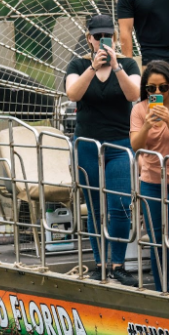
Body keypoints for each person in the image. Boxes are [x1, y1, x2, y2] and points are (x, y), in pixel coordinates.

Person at [65, 14, 141, 285]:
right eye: (98, 37)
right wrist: (92, 68)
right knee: (95, 206)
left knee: (120, 205)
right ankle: (100, 264)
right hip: (87, 145)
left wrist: (117, 67)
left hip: (120, 144)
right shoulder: (77, 64)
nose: (103, 41)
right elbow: (72, 94)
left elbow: (135, 95)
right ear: (89, 39)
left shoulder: (129, 64)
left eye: (108, 36)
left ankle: (118, 264)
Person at [130, 60, 169, 293]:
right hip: (151, 181)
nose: (157, 93)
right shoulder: (139, 109)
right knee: (156, 242)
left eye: (163, 88)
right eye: (151, 89)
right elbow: (135, 145)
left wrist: (168, 119)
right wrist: (146, 125)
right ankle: (160, 292)